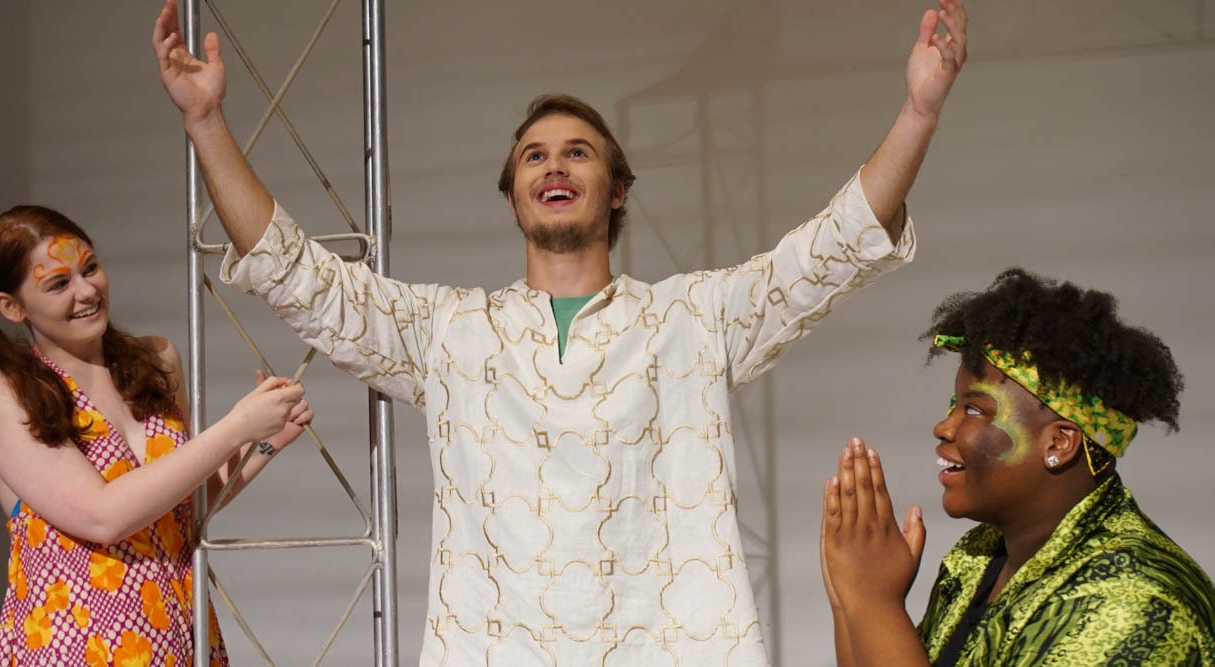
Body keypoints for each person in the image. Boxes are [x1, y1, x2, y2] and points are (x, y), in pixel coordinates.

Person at [150, 0, 968, 661]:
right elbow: (295, 272)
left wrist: (919, 113)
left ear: (615, 191)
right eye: (535, 157)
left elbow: (832, 249)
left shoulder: (695, 319)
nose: (554, 166)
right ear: (513, 198)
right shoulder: (450, 332)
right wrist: (208, 125)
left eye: (578, 153)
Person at [0, 205, 311, 666]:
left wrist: (260, 443)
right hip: (76, 647)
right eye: (59, 284)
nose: (87, 291)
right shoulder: (2, 388)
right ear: (11, 306)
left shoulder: (157, 361)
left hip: (179, 636)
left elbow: (181, 506)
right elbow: (103, 516)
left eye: (90, 268)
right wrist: (235, 428)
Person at [819, 268, 1215, 665]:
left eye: (975, 409)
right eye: (953, 406)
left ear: (1058, 443)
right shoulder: (979, 558)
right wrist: (850, 601)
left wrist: (875, 602)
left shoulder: (1135, 606)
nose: (944, 427)